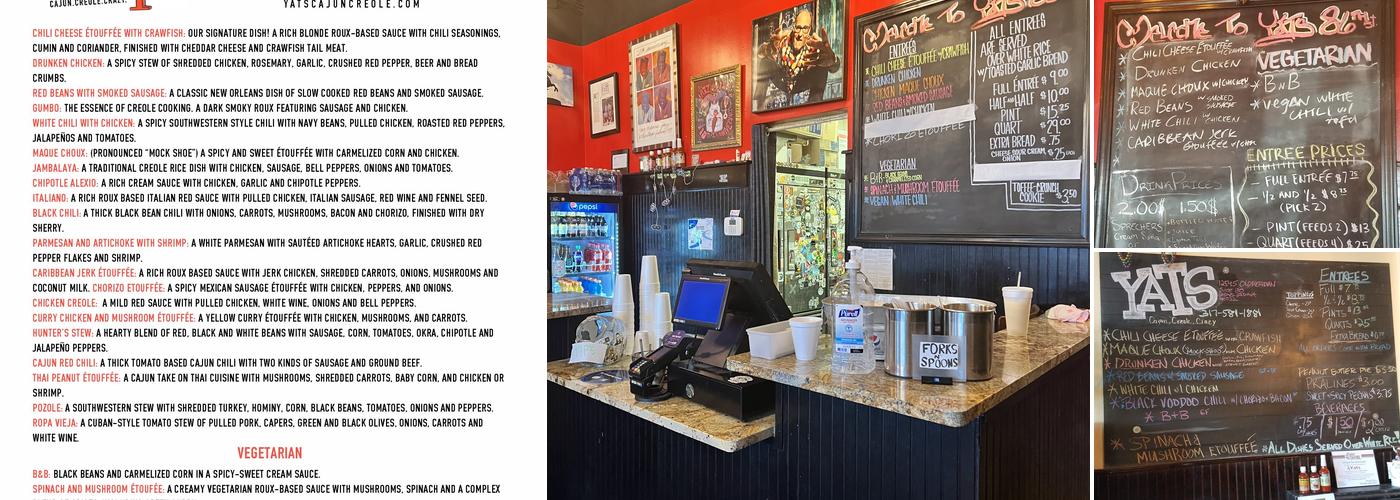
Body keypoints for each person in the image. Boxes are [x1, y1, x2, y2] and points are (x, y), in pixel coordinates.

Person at [757, 7, 839, 109]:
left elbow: (834, 67)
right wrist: (770, 47)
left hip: (802, 85)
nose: (800, 34)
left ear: (810, 29)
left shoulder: (814, 47)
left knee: (821, 66)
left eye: (805, 28)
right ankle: (758, 105)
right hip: (783, 83)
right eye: (798, 28)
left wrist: (833, 60)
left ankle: (814, 109)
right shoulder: (782, 40)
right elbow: (762, 53)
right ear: (794, 26)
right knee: (764, 62)